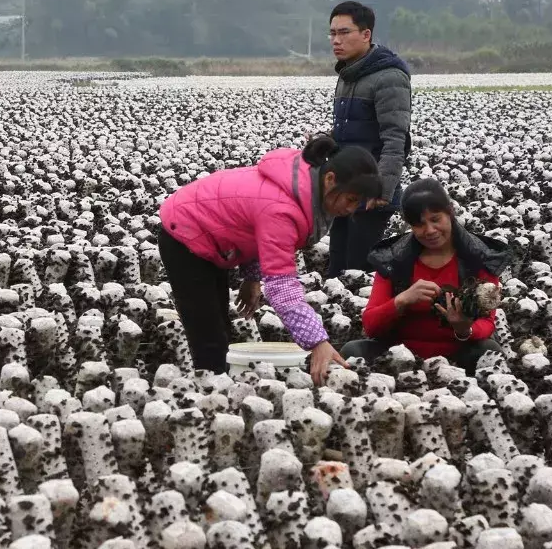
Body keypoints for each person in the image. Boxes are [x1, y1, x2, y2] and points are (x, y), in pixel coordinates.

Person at [158, 135, 384, 386]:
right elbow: (281, 286)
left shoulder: (307, 191)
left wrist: (252, 277)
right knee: (208, 334)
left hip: (210, 236)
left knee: (218, 325)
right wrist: (317, 342)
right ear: (330, 179)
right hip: (185, 234)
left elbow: (255, 233)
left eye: (357, 203)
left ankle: (215, 384)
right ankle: (209, 396)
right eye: (350, 200)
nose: (351, 209)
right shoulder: (282, 207)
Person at [343, 179, 510, 373]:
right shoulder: (393, 260)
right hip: (399, 354)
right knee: (352, 351)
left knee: (490, 351)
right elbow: (371, 326)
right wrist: (402, 300)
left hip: (458, 355)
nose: (430, 230)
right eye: (420, 224)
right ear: (409, 225)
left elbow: (487, 323)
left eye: (436, 219)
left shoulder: (480, 258)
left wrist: (464, 329)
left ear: (450, 212)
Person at [327, 0, 413, 277]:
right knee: (337, 268)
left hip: (371, 192)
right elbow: (353, 131)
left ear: (366, 35)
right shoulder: (349, 74)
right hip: (345, 189)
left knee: (358, 270)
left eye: (344, 32)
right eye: (332, 33)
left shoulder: (388, 78)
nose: (336, 40)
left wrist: (382, 190)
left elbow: (395, 140)